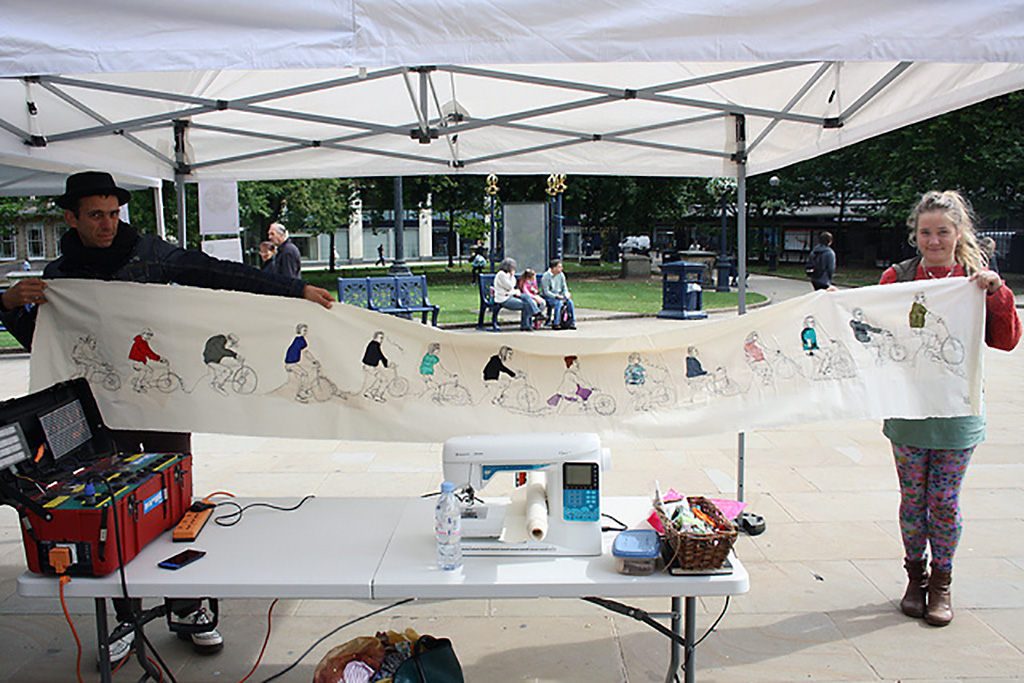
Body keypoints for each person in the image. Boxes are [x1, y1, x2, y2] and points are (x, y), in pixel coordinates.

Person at [0, 171, 335, 666]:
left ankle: (187, 607)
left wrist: (292, 290)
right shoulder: (59, 275)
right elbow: (42, 342)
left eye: (114, 213)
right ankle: (125, 619)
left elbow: (220, 273)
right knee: (109, 515)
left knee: (174, 506)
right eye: (96, 215)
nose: (108, 224)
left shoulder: (151, 254)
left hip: (160, 407)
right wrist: (8, 305)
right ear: (71, 217)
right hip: (101, 420)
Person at [879, 190, 1020, 627]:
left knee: (943, 499)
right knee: (912, 499)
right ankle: (914, 577)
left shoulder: (977, 279)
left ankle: (942, 581)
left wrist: (997, 295)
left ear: (959, 234)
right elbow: (874, 336)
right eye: (925, 232)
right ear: (915, 235)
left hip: (957, 413)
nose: (934, 240)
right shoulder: (897, 278)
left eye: (943, 231)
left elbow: (1006, 340)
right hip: (909, 411)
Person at [493, 258, 540, 331]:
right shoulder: (501, 274)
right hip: (503, 299)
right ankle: (527, 323)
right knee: (526, 304)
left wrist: (512, 277)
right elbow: (509, 286)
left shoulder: (507, 274)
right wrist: (512, 276)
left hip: (510, 295)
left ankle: (535, 314)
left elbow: (513, 285)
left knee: (526, 297)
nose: (513, 268)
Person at [540, 259, 576, 329]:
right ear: (554, 268)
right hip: (549, 296)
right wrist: (556, 296)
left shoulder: (561, 275)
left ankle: (572, 322)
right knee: (558, 303)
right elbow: (546, 291)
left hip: (559, 295)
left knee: (570, 303)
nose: (561, 268)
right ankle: (556, 323)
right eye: (559, 267)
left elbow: (564, 287)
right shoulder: (546, 276)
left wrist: (566, 293)